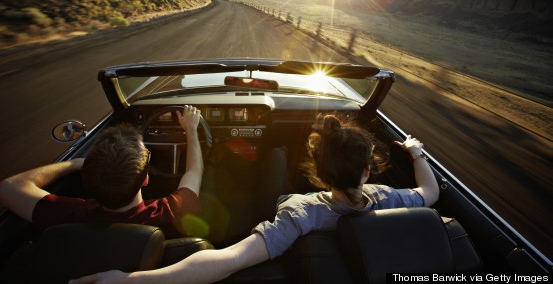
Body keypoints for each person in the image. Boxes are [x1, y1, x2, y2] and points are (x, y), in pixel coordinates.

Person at [70, 114, 440, 284]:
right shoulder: (390, 198)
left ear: (318, 171)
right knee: (274, 155)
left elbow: (228, 258)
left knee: (275, 156)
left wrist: (132, 281)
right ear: (367, 171)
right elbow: (430, 193)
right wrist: (417, 154)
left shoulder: (300, 211)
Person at [0, 105, 204, 239]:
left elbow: (8, 187)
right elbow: (194, 171)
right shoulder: (171, 212)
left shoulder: (69, 216)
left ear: (87, 179)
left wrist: (75, 164)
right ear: (146, 179)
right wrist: (191, 130)